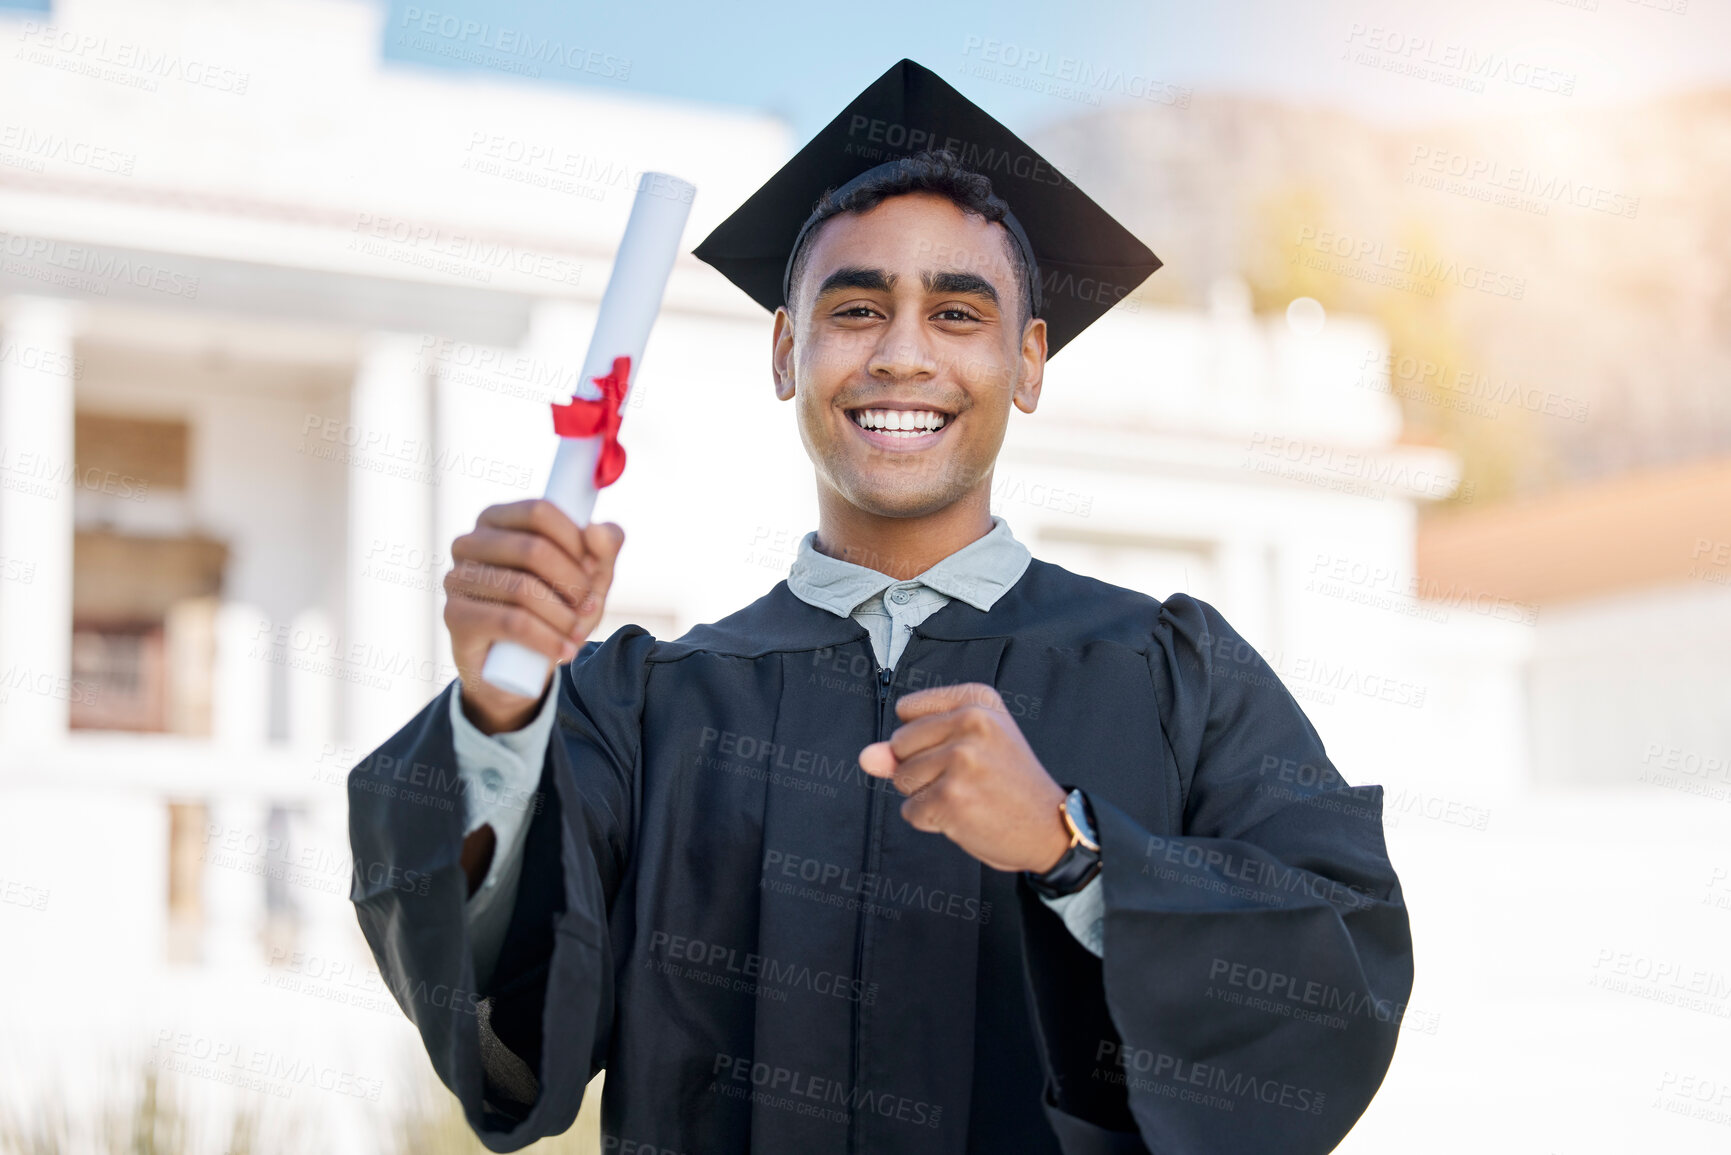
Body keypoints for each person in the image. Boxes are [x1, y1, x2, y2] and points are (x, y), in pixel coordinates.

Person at [348, 59, 1413, 1155]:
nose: (903, 353)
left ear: (1028, 361)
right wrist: (495, 721)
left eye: (958, 312)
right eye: (856, 309)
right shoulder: (644, 706)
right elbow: (498, 1015)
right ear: (785, 352)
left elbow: (1340, 976)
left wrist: (1074, 848)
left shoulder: (1172, 674)